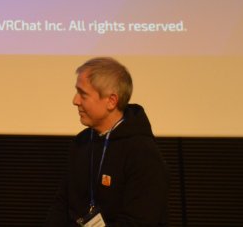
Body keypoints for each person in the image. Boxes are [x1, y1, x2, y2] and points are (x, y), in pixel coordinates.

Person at [44, 57, 167, 227]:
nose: (75, 100)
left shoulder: (142, 152)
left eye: (83, 94)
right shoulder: (81, 142)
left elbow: (140, 220)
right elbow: (61, 205)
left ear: (111, 101)